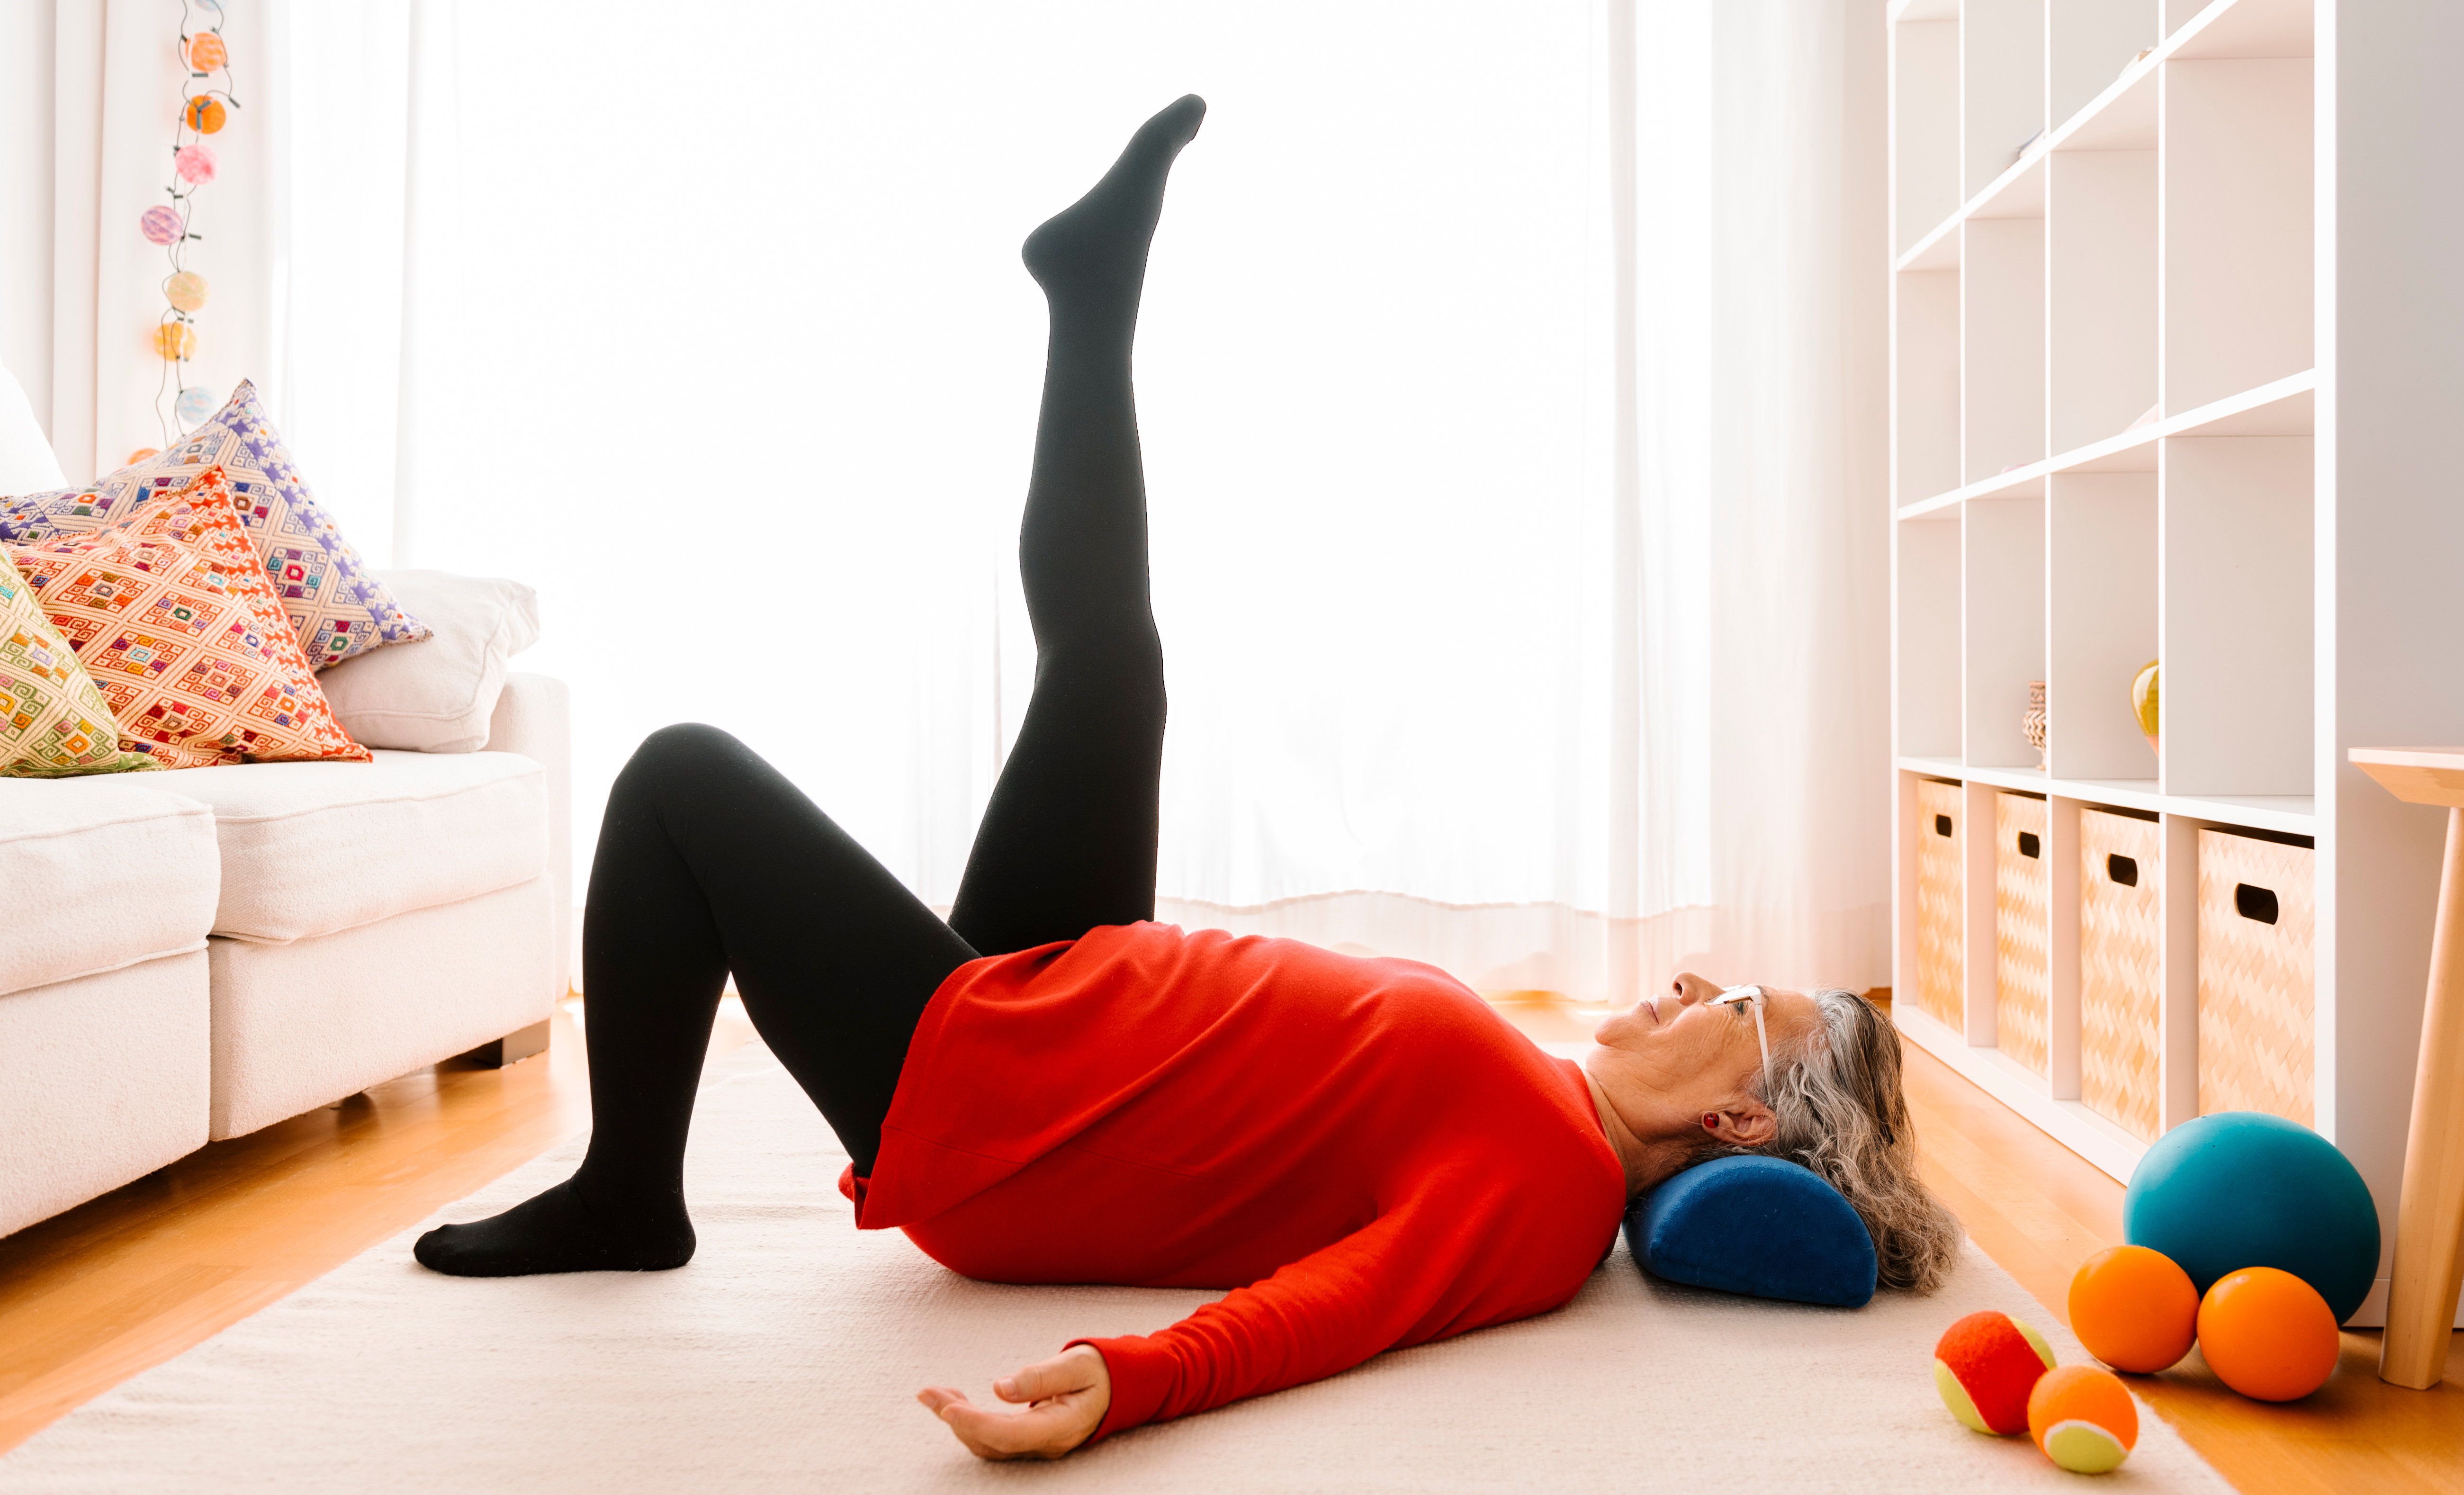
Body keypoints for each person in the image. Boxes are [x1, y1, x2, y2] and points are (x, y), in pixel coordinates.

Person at [413, 94, 1961, 1461]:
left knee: (679, 775)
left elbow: (1337, 1307)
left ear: (1747, 1126)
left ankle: (629, 1188)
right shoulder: (1540, 1106)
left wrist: (1123, 1379)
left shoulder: (1548, 1191)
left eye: (1736, 1006)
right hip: (1075, 992)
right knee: (1114, 670)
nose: (1695, 979)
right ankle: (1087, 296)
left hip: (997, 1110)